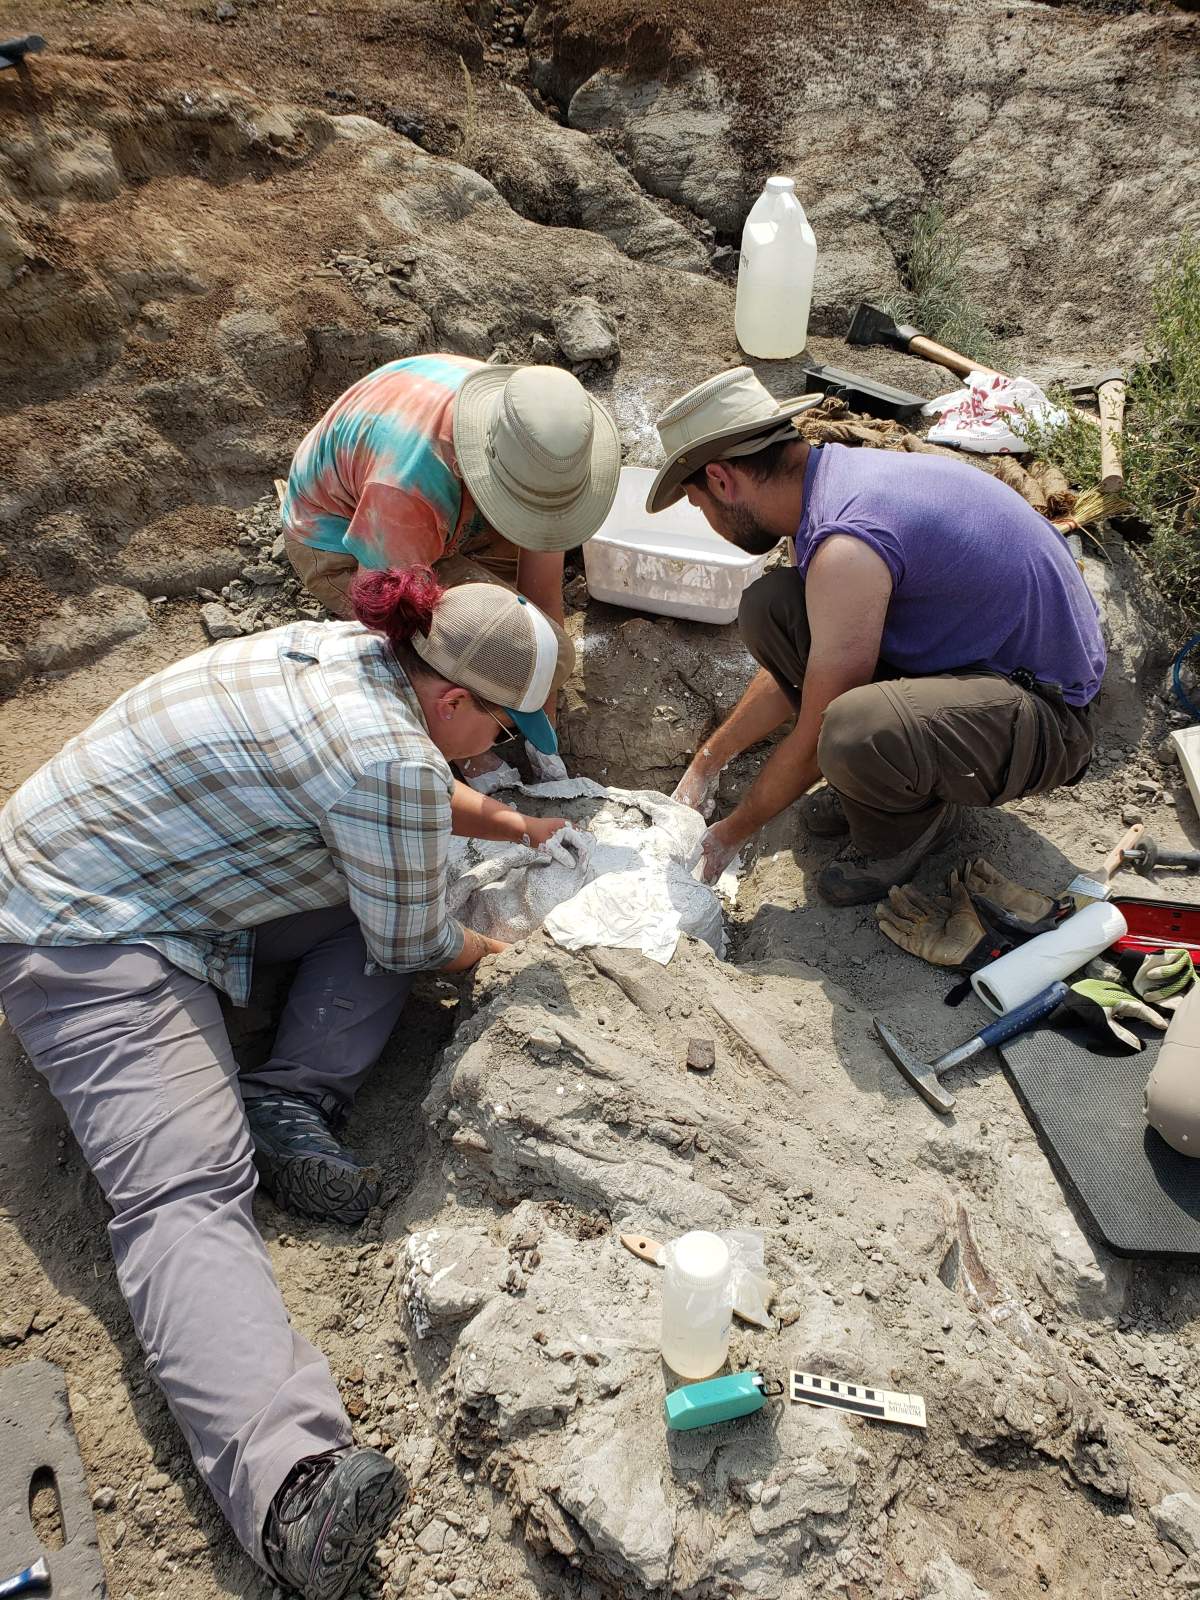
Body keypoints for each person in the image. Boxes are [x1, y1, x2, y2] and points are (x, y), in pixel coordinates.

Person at [0, 570, 570, 1599]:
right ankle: (288, 1485)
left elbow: (410, 801)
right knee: (184, 1186)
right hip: (85, 930)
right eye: (503, 726)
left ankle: (286, 1098)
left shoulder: (362, 660)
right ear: (452, 698)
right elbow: (422, 936)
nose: (507, 747)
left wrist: (515, 827)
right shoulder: (387, 756)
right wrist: (514, 950)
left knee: (395, 877)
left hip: (155, 870)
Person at [649, 366, 1106, 904]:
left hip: (1050, 716)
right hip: (981, 669)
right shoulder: (828, 483)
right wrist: (708, 762)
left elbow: (826, 717)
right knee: (773, 608)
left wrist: (729, 834)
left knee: (850, 732)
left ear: (723, 481)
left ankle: (904, 832)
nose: (707, 518)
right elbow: (807, 666)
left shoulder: (847, 542)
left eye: (699, 504)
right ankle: (891, 781)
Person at [281, 353, 620, 779]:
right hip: (341, 540)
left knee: (543, 653)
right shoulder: (407, 487)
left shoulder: (537, 442)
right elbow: (402, 634)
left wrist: (542, 733)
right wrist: (468, 750)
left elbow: (542, 594)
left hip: (439, 507)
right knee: (476, 660)